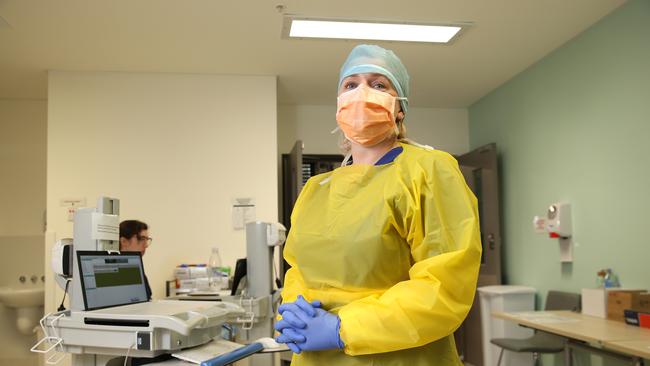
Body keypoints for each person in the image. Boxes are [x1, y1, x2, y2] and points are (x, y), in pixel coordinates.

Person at [274, 44, 482, 366]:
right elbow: (299, 269)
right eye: (351, 84)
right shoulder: (317, 189)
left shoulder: (428, 171)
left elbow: (443, 287)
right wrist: (294, 307)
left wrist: (343, 328)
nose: (362, 93)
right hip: (315, 357)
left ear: (400, 107)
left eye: (379, 84)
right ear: (339, 104)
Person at [119, 219, 153, 301]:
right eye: (141, 239)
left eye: (147, 240)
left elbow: (147, 297)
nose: (146, 245)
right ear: (124, 241)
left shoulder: (136, 266)